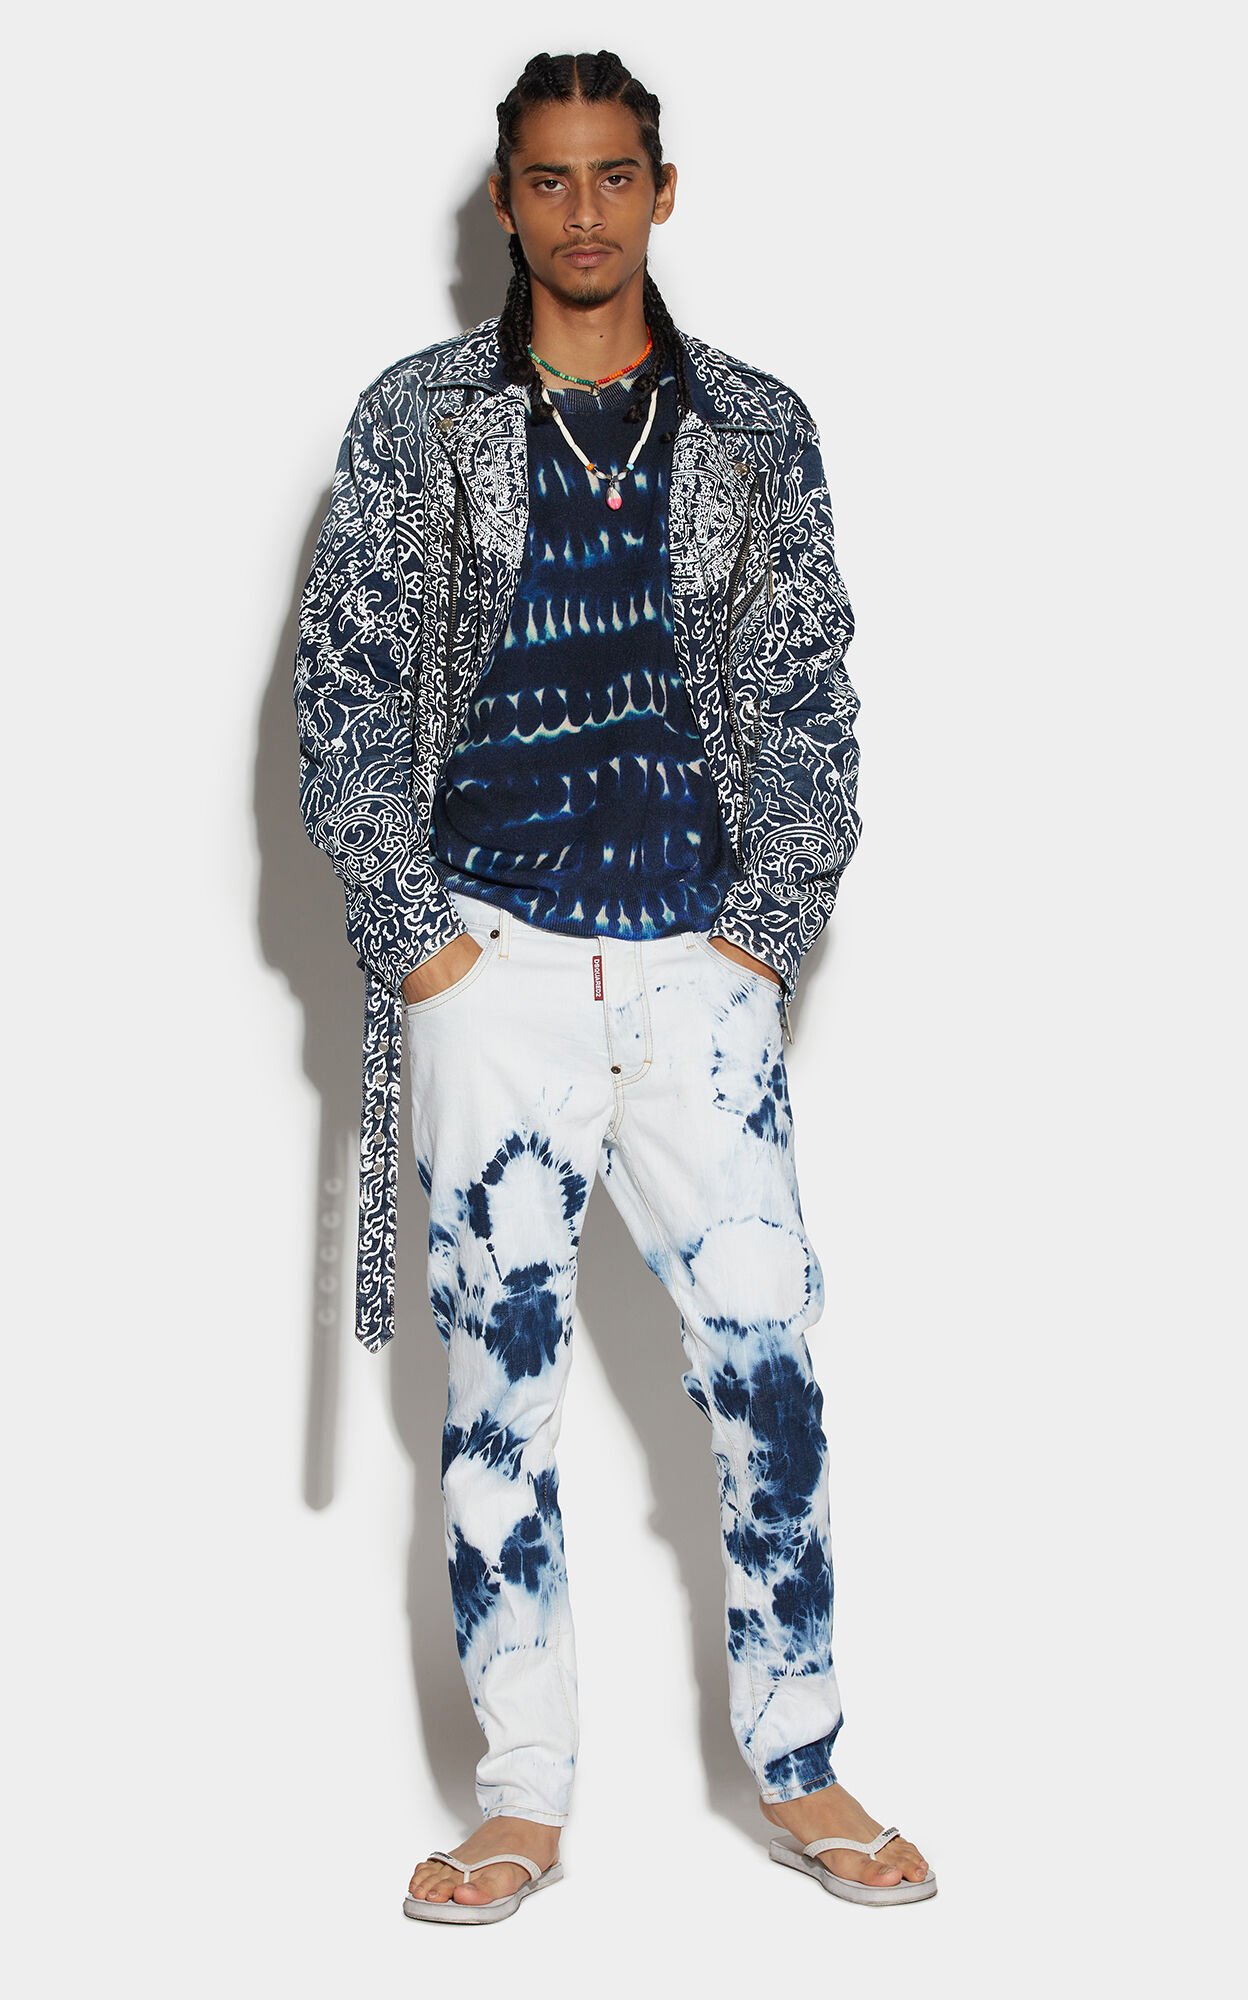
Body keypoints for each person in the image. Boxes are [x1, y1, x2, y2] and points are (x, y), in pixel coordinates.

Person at [294, 48, 935, 1923]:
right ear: (505, 201)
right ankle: (521, 1798)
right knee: (499, 1398)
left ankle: (801, 1767)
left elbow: (808, 690)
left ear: (663, 188)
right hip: (487, 961)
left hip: (697, 969)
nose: (582, 211)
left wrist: (766, 931)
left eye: (611, 175)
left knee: (768, 1372)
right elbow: (344, 690)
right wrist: (418, 943)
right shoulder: (418, 421)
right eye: (548, 180)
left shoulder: (754, 426)